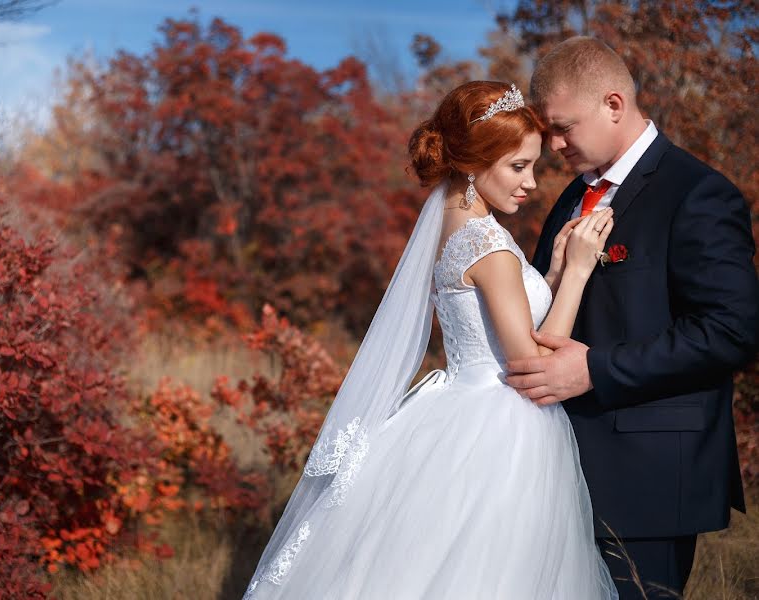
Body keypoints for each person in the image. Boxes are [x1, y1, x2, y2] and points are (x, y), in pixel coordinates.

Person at [242, 81, 618, 599]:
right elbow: (531, 365)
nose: (530, 182)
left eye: (532, 166)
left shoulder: (456, 225)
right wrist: (576, 273)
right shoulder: (490, 246)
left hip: (455, 407)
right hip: (503, 426)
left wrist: (548, 277)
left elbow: (498, 319)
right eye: (517, 166)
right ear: (473, 163)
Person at [505, 36, 759, 599]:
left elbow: (733, 330)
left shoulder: (697, 194)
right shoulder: (573, 196)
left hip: (649, 480)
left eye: (562, 126)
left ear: (614, 105)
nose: (551, 143)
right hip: (556, 469)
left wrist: (595, 370)